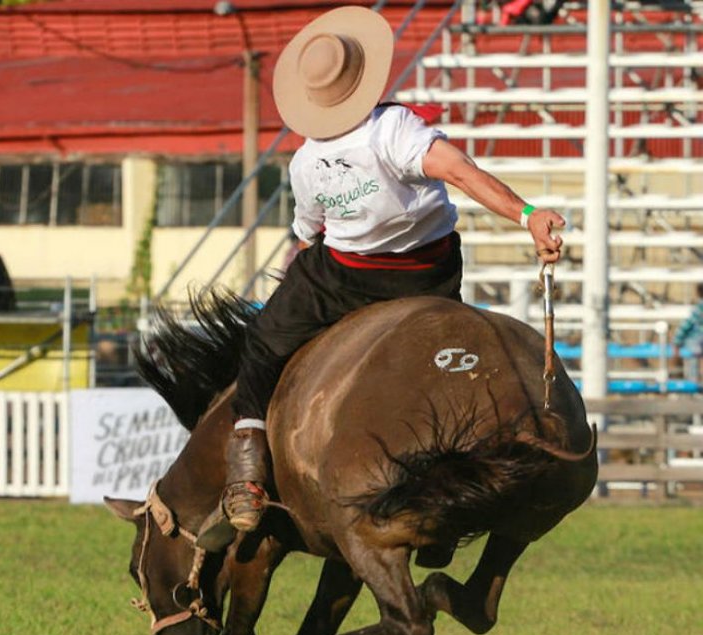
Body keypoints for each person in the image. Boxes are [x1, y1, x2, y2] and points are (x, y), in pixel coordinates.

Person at [207, 6, 567, 544]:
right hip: (427, 276)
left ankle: (248, 469)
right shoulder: (394, 129)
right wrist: (527, 215)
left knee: (262, 343)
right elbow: (462, 173)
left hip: (341, 276)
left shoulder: (305, 163)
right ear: (360, 79)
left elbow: (310, 235)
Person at [673, 284, 703, 386]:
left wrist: (677, 342)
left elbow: (685, 326)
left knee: (693, 362)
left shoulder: (698, 309)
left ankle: (693, 384)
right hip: (698, 341)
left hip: (696, 341)